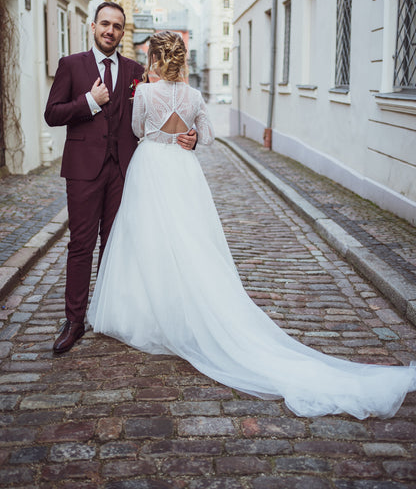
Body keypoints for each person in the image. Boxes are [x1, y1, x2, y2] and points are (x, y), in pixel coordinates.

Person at [87, 31, 416, 419]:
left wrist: (161, 123)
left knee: (149, 241)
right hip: (184, 171)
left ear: (155, 58)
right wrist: (188, 136)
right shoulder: (193, 97)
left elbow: (139, 131)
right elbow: (207, 136)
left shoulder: (143, 93)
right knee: (192, 242)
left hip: (152, 166)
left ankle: (150, 314)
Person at [45, 5, 197, 354]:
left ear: (123, 32)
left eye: (117, 26)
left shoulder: (135, 71)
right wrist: (88, 101)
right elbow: (52, 114)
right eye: (105, 24)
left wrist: (191, 137)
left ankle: (111, 313)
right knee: (81, 245)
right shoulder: (72, 65)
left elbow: (167, 107)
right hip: (83, 170)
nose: (110, 31)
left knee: (117, 246)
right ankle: (74, 321)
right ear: (93, 26)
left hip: (125, 171)